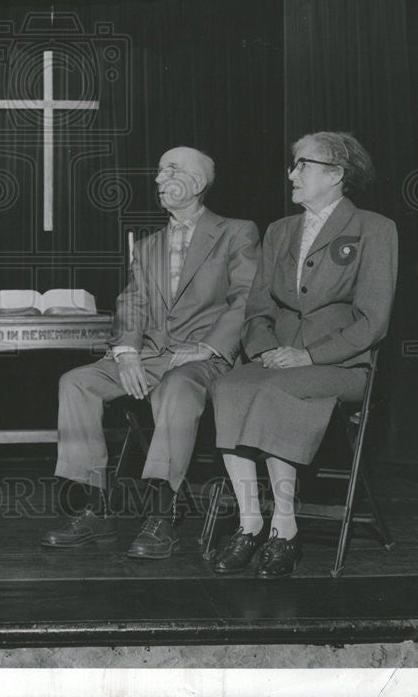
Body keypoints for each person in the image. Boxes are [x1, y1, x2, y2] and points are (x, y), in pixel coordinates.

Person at [41, 147, 260, 559]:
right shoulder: (147, 246)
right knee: (75, 383)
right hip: (152, 355)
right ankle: (95, 509)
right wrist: (126, 354)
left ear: (196, 182)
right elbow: (133, 304)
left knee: (177, 389)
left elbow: (246, 298)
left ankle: (162, 515)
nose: (159, 179)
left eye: (170, 171)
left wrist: (206, 347)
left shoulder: (236, 232)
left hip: (205, 359)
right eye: (158, 171)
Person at [210, 131, 398, 579]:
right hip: (280, 360)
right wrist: (267, 350)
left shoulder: (375, 229)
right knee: (229, 385)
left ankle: (285, 530)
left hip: (341, 367)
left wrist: (309, 356)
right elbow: (258, 309)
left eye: (303, 165)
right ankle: (250, 522)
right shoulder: (280, 231)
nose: (292, 174)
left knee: (277, 392)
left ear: (336, 175)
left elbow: (373, 323)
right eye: (293, 165)